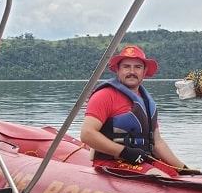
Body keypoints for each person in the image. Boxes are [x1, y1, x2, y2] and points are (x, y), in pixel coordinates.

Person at [80, 45, 188, 176]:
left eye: (137, 67)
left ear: (144, 71)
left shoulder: (146, 102)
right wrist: (124, 152)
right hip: (112, 163)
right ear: (118, 70)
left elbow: (157, 143)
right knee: (162, 178)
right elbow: (87, 134)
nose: (132, 71)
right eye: (126, 66)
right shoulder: (104, 95)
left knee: (177, 176)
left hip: (140, 162)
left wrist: (183, 169)